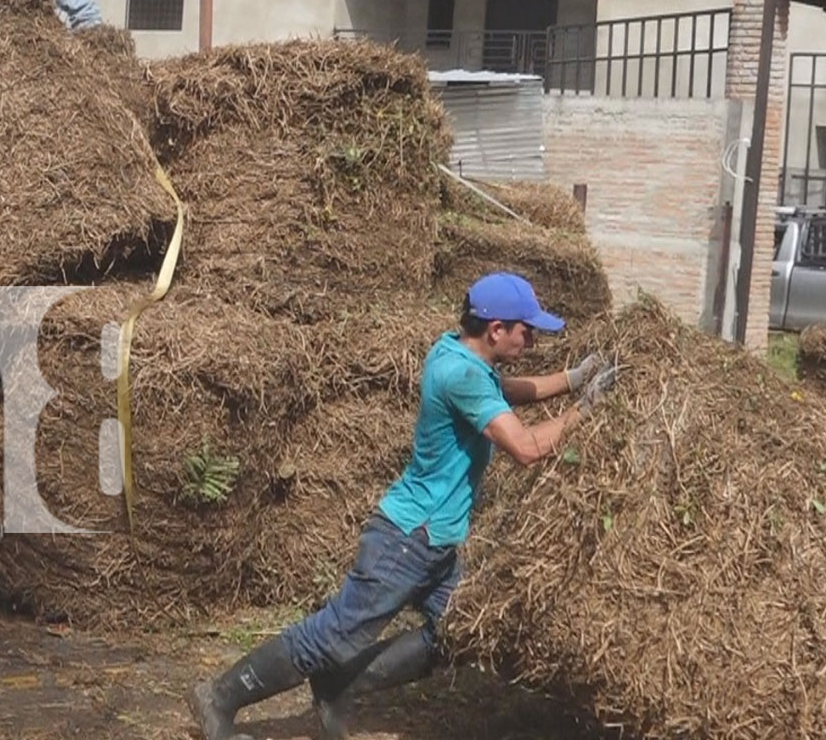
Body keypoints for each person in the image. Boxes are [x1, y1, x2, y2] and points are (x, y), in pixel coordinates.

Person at [188, 272, 618, 740]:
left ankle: (337, 682)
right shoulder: (463, 374)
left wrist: (571, 380)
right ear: (496, 330)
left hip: (432, 544)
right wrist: (586, 409)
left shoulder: (456, 352)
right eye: (525, 329)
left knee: (460, 630)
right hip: (408, 542)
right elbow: (528, 449)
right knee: (332, 634)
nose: (532, 338)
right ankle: (221, 695)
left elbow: (504, 390)